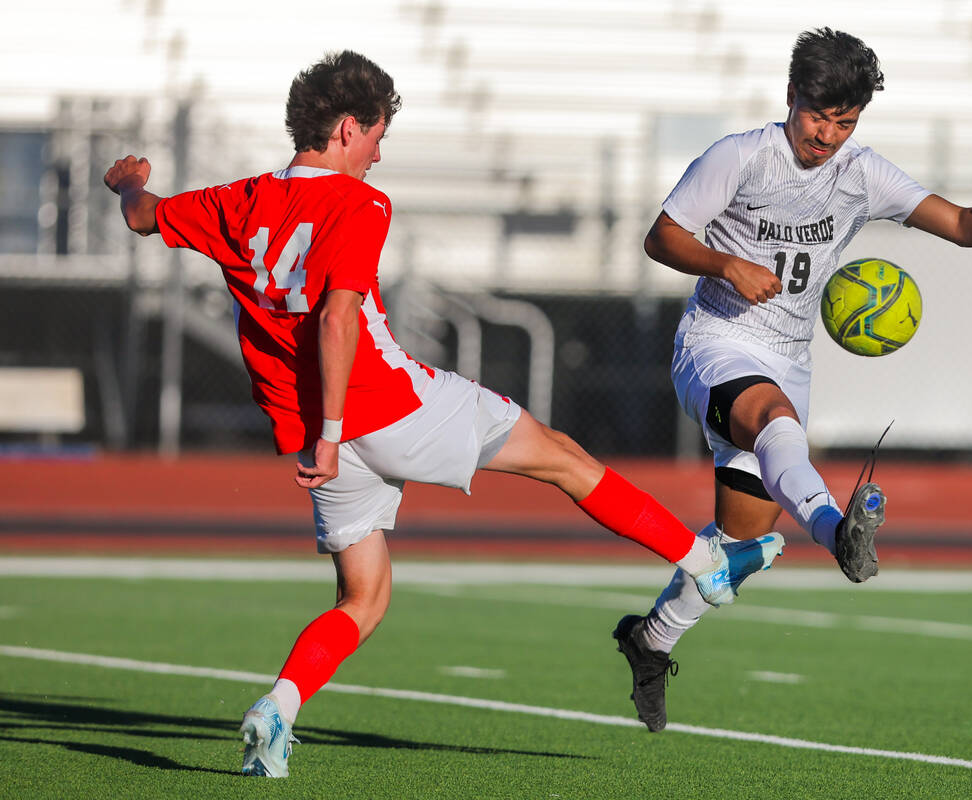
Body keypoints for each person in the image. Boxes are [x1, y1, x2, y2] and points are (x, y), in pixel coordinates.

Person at [103, 50, 785, 778]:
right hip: (384, 409)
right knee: (563, 458)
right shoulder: (358, 203)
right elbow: (338, 317)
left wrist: (129, 184)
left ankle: (280, 707)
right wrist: (335, 435)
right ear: (343, 129)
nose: (377, 155)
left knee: (362, 598)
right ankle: (703, 563)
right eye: (375, 137)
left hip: (310, 432)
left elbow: (145, 218)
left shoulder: (236, 200)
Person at [612, 27, 972, 733]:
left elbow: (962, 223)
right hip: (718, 342)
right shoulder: (739, 157)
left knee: (739, 546)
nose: (827, 134)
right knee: (775, 422)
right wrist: (725, 265)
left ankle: (651, 640)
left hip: (790, 355)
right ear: (792, 97)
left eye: (844, 122)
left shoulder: (862, 172)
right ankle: (835, 531)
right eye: (818, 116)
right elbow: (661, 236)